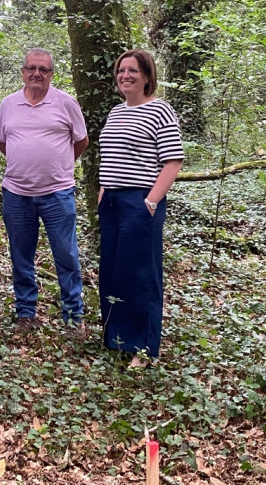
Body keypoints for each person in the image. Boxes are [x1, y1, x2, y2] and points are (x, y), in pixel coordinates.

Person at [98, 49, 184, 366]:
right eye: (121, 70)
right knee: (113, 271)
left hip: (141, 201)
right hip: (112, 202)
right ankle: (117, 338)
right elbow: (110, 156)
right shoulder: (116, 113)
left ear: (147, 76)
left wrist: (150, 201)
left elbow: (173, 161)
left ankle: (143, 349)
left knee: (140, 275)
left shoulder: (160, 111)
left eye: (133, 70)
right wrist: (104, 191)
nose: (125, 76)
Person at [0, 48, 89, 331]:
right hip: (16, 194)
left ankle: (73, 316)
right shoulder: (8, 104)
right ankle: (25, 313)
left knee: (66, 255)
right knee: (20, 255)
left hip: (57, 194)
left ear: (51, 74)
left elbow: (81, 142)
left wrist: (58, 166)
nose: (37, 74)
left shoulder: (66, 103)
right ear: (23, 72)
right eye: (31, 68)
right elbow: (4, 144)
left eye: (43, 70)